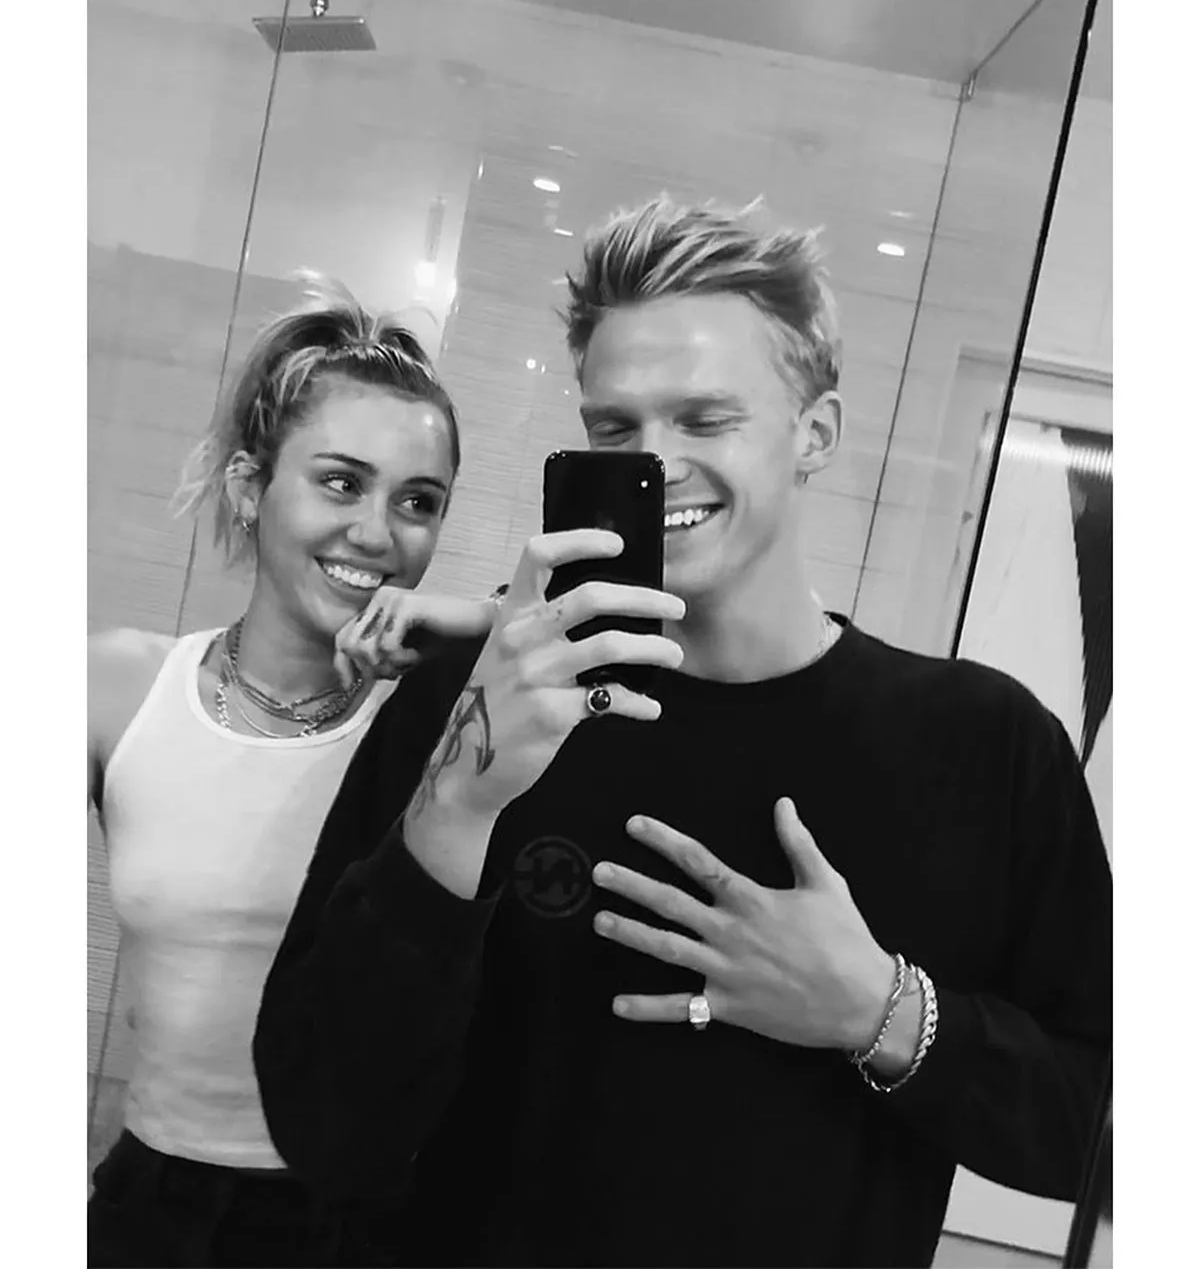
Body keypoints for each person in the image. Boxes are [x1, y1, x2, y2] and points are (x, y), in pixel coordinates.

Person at [253, 201, 1113, 1268]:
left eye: (705, 420)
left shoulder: (984, 749)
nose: (655, 465)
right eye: (616, 430)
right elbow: (323, 1124)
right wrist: (460, 802)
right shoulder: (480, 699)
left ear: (816, 434)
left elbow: (1103, 1130)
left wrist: (879, 1009)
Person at [86, 275, 497, 1268]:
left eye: (418, 501)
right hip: (155, 1210)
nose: (378, 534)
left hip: (370, 1224)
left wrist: (480, 623)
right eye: (341, 482)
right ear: (249, 485)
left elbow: (649, 643)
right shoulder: (117, 688)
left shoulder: (450, 727)